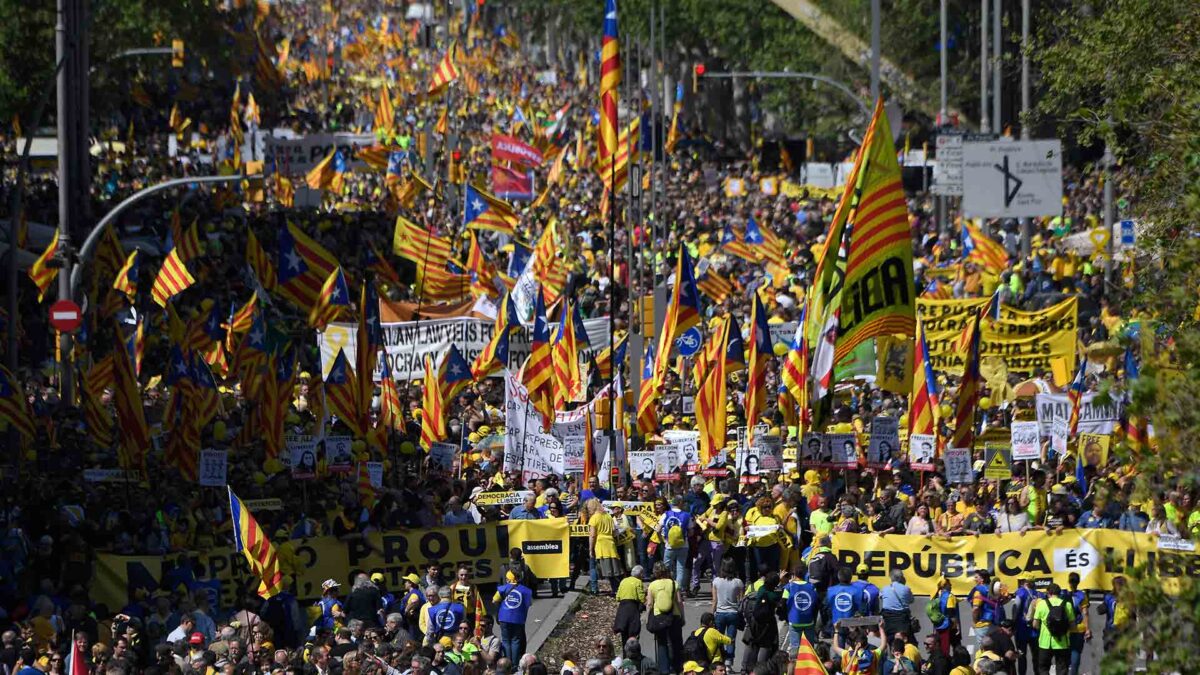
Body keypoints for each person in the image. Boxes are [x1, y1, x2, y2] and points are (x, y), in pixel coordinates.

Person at [645, 562, 684, 675]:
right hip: (674, 616)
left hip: (659, 617)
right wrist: (683, 616)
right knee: (676, 642)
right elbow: (679, 602)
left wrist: (648, 619)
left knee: (662, 644)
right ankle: (678, 667)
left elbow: (649, 604)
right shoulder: (674, 583)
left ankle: (664, 669)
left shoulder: (652, 585)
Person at [1031, 582, 1074, 675]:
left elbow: (1035, 624)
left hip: (1045, 643)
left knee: (1043, 668)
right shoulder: (1067, 604)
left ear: (1048, 593)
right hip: (1063, 642)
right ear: (1059, 593)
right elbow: (1072, 625)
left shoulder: (1041, 604)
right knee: (1062, 669)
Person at [588, 498, 624, 595]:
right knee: (614, 569)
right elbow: (613, 530)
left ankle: (594, 589)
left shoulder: (594, 518)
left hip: (600, 544)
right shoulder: (608, 516)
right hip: (610, 543)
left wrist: (591, 549)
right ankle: (616, 589)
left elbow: (592, 535)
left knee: (595, 567)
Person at [709, 560, 743, 663]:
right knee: (731, 639)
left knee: (719, 638)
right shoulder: (738, 582)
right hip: (733, 613)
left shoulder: (716, 581)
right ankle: (729, 662)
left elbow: (714, 600)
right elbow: (741, 600)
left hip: (720, 613)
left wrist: (711, 613)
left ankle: (719, 660)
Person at [780, 562, 818, 654]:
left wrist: (786, 617)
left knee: (795, 647)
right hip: (809, 621)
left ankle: (795, 665)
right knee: (810, 648)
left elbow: (783, 603)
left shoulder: (789, 587)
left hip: (794, 621)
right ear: (805, 574)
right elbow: (816, 605)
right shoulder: (812, 587)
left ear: (793, 574)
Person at [495, 571, 533, 660]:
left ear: (508, 579)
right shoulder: (526, 591)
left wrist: (501, 607)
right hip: (518, 619)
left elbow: (494, 600)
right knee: (515, 641)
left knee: (506, 640)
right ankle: (515, 664)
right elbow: (529, 604)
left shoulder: (502, 588)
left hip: (504, 618)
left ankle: (508, 662)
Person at [660, 497, 692, 589]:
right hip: (683, 545)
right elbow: (691, 532)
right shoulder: (687, 515)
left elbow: (658, 529)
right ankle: (678, 591)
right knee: (680, 568)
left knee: (666, 568)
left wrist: (663, 539)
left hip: (669, 545)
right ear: (680, 503)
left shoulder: (666, 514)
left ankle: (665, 588)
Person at [612, 566, 645, 645]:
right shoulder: (638, 582)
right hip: (632, 608)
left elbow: (618, 597)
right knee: (633, 632)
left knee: (624, 633)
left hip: (622, 608)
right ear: (640, 574)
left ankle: (625, 653)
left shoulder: (623, 581)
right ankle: (633, 651)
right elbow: (641, 598)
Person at [1065, 572, 1090, 675]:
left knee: (1064, 655)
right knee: (1075, 653)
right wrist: (1087, 628)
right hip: (1078, 628)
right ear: (1079, 582)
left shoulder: (1063, 593)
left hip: (1064, 629)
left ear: (1068, 581)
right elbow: (1085, 613)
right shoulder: (1081, 595)